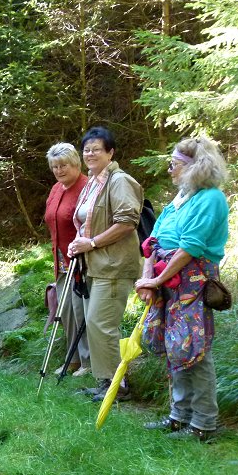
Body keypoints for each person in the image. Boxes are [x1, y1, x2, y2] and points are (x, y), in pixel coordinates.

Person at [135, 137, 229, 442]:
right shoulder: (181, 198)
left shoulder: (211, 199)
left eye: (174, 163)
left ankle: (204, 424)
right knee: (175, 347)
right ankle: (179, 416)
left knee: (194, 349)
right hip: (168, 281)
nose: (170, 168)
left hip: (193, 282)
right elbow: (154, 241)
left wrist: (157, 280)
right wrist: (148, 278)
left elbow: (189, 248)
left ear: (194, 166)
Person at [67, 127, 143, 401]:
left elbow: (126, 222)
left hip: (113, 265)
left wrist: (93, 243)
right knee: (95, 323)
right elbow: (88, 223)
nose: (90, 154)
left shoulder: (119, 181)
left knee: (102, 323)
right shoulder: (93, 182)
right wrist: (79, 243)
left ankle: (118, 386)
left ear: (111, 152)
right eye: (86, 149)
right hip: (94, 264)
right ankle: (106, 382)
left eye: (96, 149)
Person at [44, 143, 91, 376]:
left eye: (63, 165)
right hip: (61, 260)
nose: (59, 170)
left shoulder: (86, 187)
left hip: (82, 261)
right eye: (54, 166)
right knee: (67, 313)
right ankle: (72, 358)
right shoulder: (56, 189)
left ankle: (88, 361)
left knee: (81, 310)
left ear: (75, 164)